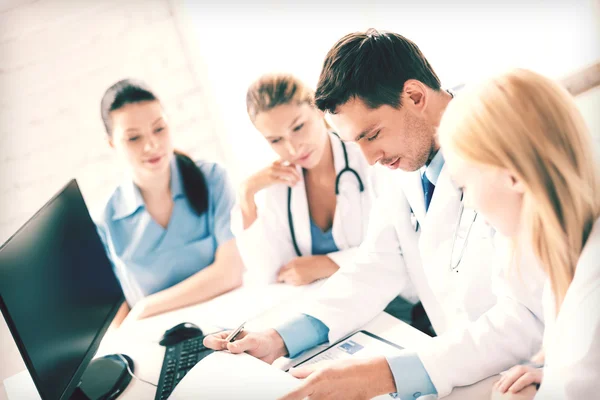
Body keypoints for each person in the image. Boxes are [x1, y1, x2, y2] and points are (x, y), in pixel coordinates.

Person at [205, 30, 546, 399]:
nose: (370, 160)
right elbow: (375, 264)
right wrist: (278, 339)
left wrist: (385, 375)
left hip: (531, 376)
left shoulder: (503, 143)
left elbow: (529, 314)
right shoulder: (411, 162)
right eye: (356, 143)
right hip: (468, 370)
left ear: (414, 96)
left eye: (372, 135)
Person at [437, 69, 600, 399]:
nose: (467, 201)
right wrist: (551, 375)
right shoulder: (569, 250)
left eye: (465, 185)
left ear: (514, 176)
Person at [95, 79, 244, 324]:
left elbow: (231, 271)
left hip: (231, 321)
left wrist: (145, 307)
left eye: (159, 129)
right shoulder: (104, 221)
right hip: (161, 343)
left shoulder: (213, 179)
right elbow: (118, 320)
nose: (151, 145)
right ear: (112, 143)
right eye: (134, 138)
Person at [232, 73, 377, 287]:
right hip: (332, 307)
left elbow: (397, 248)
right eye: (276, 140)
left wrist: (328, 264)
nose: (293, 148)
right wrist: (246, 193)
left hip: (395, 306)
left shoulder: (367, 158)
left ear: (318, 109)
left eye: (298, 127)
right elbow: (269, 273)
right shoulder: (281, 186)